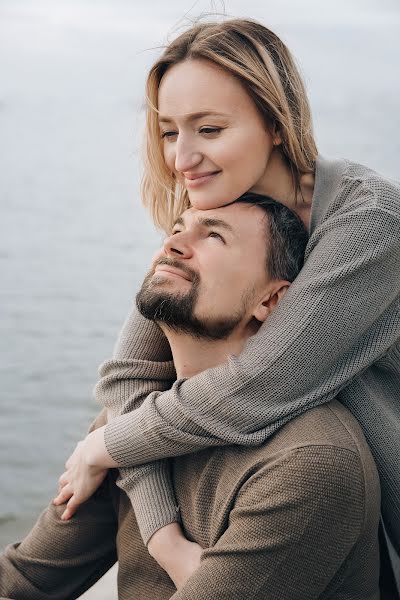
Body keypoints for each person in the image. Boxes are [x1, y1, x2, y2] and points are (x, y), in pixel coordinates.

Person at [1, 15, 399, 595]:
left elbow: (261, 386)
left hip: (359, 492)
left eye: (208, 129)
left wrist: (108, 447)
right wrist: (161, 530)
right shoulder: (215, 207)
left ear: (276, 124)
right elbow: (128, 380)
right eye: (168, 131)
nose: (181, 158)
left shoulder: (369, 224)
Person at [0, 194, 382, 599]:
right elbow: (24, 582)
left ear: (270, 300)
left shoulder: (309, 463)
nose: (173, 244)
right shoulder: (127, 428)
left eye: (214, 236)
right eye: (178, 229)